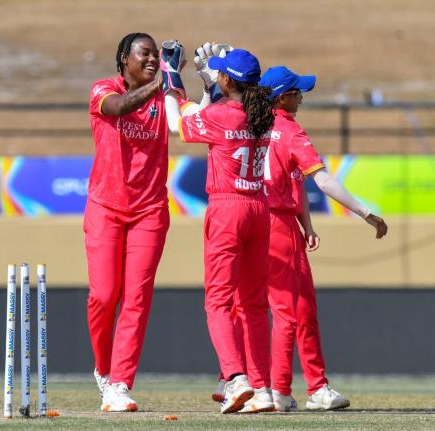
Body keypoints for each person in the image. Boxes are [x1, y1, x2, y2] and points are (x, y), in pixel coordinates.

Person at [85, 33, 209, 412]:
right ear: (124, 58)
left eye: (158, 55)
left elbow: (190, 121)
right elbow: (119, 107)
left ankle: (120, 384)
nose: (153, 59)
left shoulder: (166, 91)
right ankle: (104, 370)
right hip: (106, 207)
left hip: (150, 210)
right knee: (104, 297)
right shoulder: (104, 89)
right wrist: (161, 80)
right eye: (146, 54)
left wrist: (204, 85)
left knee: (137, 299)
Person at [257, 65, 388, 411]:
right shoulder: (290, 131)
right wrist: (366, 213)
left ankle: (316, 386)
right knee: (287, 312)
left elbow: (293, 182)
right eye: (298, 92)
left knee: (303, 308)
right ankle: (280, 390)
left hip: (269, 223)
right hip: (276, 227)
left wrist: (307, 225)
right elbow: (324, 181)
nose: (302, 97)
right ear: (283, 97)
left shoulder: (254, 126)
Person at [164, 47, 276, 414]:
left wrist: (171, 77)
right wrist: (213, 86)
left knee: (218, 301)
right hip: (259, 207)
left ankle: (235, 377)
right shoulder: (264, 113)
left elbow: (176, 124)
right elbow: (221, 112)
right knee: (256, 305)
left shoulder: (221, 114)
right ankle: (263, 390)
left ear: (227, 80)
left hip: (228, 208)